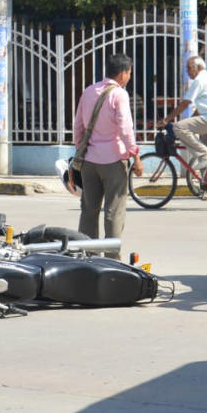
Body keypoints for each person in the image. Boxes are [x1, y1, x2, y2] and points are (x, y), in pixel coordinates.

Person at [72, 53, 143, 259]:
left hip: (89, 162)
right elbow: (125, 128)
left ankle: (88, 256)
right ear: (122, 74)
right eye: (129, 73)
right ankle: (112, 259)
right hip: (113, 162)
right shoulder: (119, 94)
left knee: (88, 211)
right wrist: (135, 155)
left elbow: (78, 126)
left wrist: (81, 150)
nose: (129, 77)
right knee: (114, 212)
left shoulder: (88, 91)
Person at [156, 56, 207, 172]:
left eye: (189, 68)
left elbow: (185, 103)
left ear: (198, 67)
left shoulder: (199, 80)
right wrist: (189, 122)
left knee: (179, 127)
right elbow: (200, 109)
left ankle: (206, 155)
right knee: (206, 150)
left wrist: (166, 120)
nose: (187, 72)